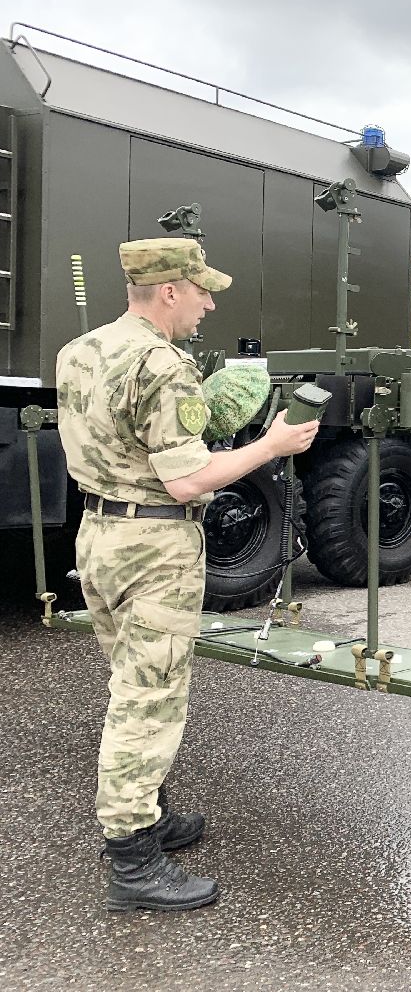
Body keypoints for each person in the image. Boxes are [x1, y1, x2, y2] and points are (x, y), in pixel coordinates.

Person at [55, 237, 319, 912]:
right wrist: (272, 445)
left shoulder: (82, 349)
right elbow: (188, 480)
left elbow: (119, 438)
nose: (207, 303)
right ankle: (134, 864)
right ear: (168, 290)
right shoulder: (160, 363)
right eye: (202, 290)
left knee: (133, 680)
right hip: (153, 547)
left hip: (101, 536)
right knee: (149, 700)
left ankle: (149, 814)